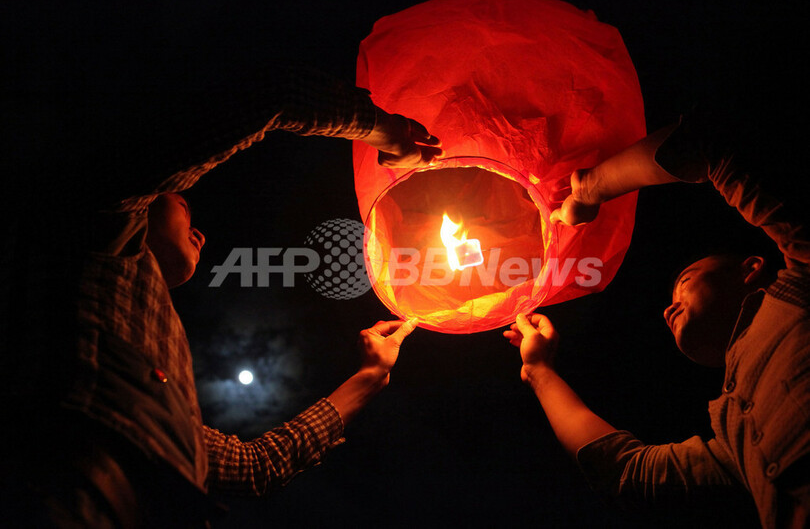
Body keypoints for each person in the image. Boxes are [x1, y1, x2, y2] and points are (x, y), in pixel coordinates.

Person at [0, 31, 442, 527]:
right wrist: (389, 134)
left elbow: (254, 467)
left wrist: (369, 376)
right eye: (183, 202)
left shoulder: (156, 373)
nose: (202, 233)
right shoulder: (83, 216)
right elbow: (273, 96)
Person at [504, 111, 810, 528]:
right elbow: (628, 475)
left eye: (685, 280)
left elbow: (712, 141)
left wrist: (590, 188)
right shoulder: (735, 435)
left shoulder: (802, 284)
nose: (667, 310)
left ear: (751, 268)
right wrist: (539, 370)